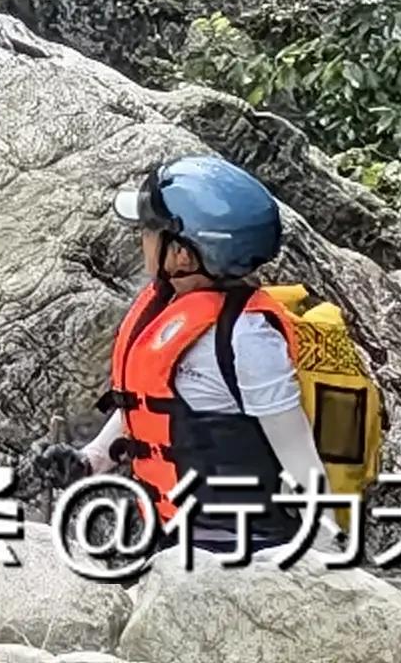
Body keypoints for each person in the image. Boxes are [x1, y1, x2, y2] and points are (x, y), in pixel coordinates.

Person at [79, 154, 328, 554]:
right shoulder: (165, 306)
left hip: (241, 546)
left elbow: (297, 450)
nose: (141, 237)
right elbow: (148, 404)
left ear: (183, 255)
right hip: (174, 532)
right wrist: (91, 458)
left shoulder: (245, 336)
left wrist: (326, 560)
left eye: (149, 230)